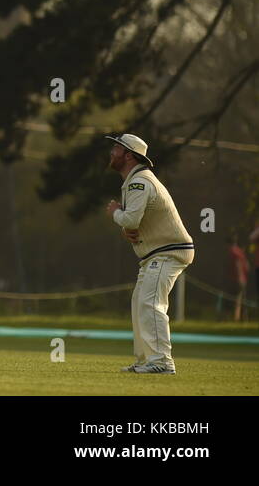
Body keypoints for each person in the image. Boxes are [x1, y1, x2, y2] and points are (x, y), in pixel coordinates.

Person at [105, 133, 194, 374]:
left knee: (150, 303)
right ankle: (146, 360)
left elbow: (131, 218)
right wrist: (126, 228)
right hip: (157, 254)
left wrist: (115, 213)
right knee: (139, 303)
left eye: (116, 147)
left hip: (168, 252)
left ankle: (162, 362)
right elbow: (134, 223)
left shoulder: (139, 182)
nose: (112, 151)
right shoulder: (136, 180)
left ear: (129, 155)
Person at [228, 233, 248, 322]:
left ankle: (235, 320)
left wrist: (239, 277)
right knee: (242, 301)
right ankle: (244, 319)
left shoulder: (233, 252)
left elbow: (238, 265)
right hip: (243, 279)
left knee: (236, 301)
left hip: (237, 279)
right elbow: (247, 266)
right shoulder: (240, 252)